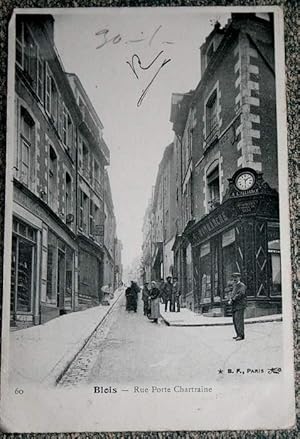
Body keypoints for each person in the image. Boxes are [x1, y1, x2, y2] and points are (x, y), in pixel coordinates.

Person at [229, 272, 247, 341]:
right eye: (233, 277)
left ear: (239, 278)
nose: (234, 279)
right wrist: (230, 298)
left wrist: (232, 299)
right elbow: (233, 293)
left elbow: (241, 294)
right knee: (235, 320)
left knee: (239, 320)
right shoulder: (234, 285)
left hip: (240, 305)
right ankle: (238, 334)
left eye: (236, 277)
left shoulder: (242, 285)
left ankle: (241, 335)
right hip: (235, 305)